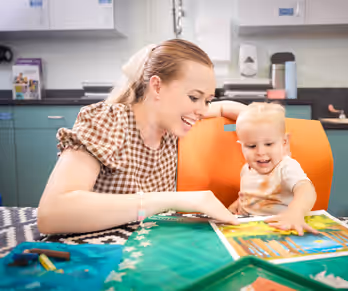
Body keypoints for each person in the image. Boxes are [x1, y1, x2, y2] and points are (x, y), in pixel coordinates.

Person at [38, 39, 247, 234]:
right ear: (157, 86)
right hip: (103, 254)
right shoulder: (110, 122)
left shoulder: (171, 124)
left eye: (207, 100)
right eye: (194, 97)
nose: (202, 110)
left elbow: (225, 108)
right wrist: (177, 200)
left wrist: (257, 124)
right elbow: (51, 214)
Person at [228, 103, 318, 236]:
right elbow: (250, 194)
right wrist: (237, 205)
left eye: (269, 144)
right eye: (251, 146)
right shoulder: (246, 169)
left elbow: (306, 189)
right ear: (241, 146)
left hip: (279, 228)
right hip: (248, 228)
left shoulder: (286, 166)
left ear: (284, 142)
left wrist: (296, 211)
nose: (260, 152)